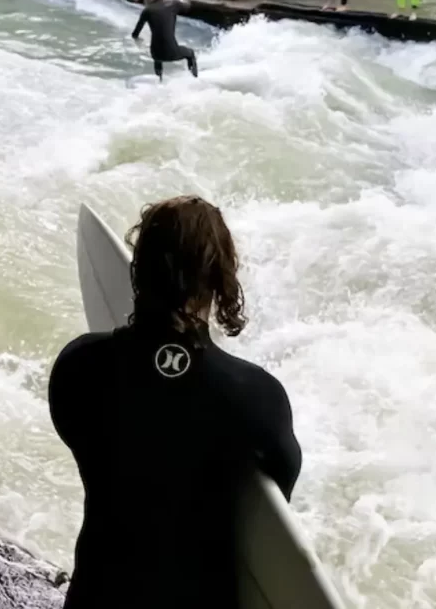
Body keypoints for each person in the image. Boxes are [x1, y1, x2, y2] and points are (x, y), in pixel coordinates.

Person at [49, 196, 302, 609]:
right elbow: (277, 501)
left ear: (138, 270)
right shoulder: (257, 398)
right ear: (220, 280)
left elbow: (73, 427)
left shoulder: (79, 365)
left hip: (97, 596)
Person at [132, 0, 198, 81]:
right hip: (172, 51)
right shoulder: (174, 4)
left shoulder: (147, 11)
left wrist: (138, 41)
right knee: (191, 53)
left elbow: (135, 34)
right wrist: (181, 0)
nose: (144, 1)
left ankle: (160, 79)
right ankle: (194, 78)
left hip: (156, 54)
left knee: (157, 54)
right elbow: (188, 6)